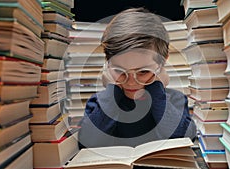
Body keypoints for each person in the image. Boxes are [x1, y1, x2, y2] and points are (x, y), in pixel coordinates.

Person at [78, 7, 196, 148]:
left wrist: (157, 89)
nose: (131, 82)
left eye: (143, 72)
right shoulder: (100, 103)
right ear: (108, 66)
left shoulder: (174, 100)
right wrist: (112, 91)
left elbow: (185, 137)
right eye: (119, 71)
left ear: (162, 63)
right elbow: (86, 143)